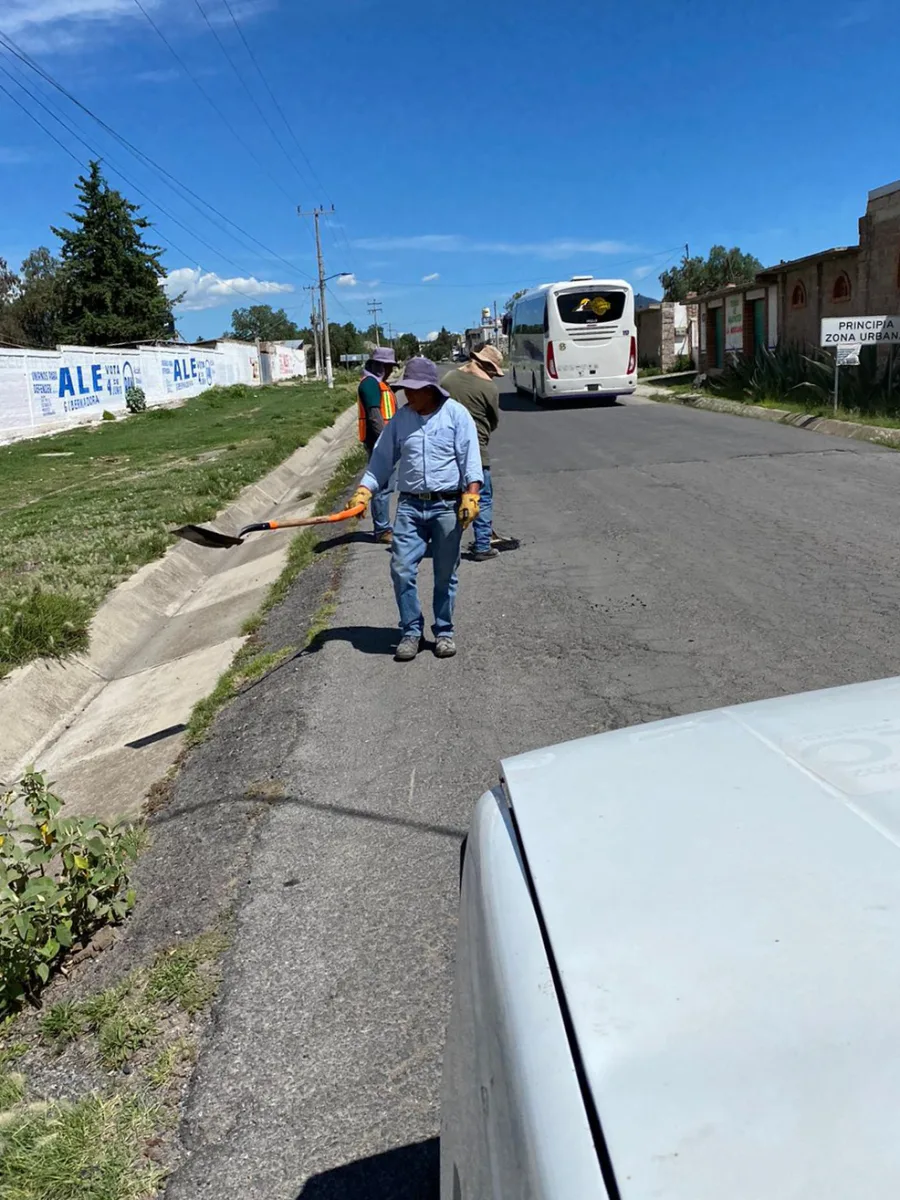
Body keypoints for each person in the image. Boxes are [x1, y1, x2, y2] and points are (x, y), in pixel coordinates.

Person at [349, 357, 482, 662]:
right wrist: (363, 491)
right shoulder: (401, 419)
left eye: (413, 389)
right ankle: (411, 630)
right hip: (409, 505)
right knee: (401, 568)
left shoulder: (456, 416)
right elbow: (381, 460)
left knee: (445, 573)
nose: (406, 395)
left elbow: (471, 462)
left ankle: (444, 632)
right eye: (404, 389)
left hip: (447, 505)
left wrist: (471, 496)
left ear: (431, 389)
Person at [441, 343, 504, 561]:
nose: (494, 377)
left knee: (451, 498)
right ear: (486, 366)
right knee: (481, 497)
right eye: (494, 372)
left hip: (447, 449)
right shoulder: (489, 389)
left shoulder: (448, 379)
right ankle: (482, 545)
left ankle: (446, 543)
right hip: (477, 450)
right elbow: (493, 421)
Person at [357, 346, 398, 544]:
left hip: (383, 442)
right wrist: (386, 443)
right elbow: (375, 417)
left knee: (387, 485)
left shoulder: (377, 384)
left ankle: (383, 527)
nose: (390, 370)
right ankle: (382, 529)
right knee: (383, 487)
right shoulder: (370, 385)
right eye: (388, 366)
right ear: (380, 366)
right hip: (379, 443)